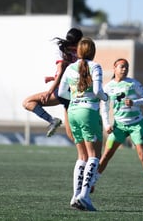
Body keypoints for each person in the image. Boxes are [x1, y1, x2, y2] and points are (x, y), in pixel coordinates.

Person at [94, 58, 143, 197]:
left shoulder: (133, 83)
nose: (124, 69)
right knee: (106, 155)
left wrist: (134, 102)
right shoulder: (108, 87)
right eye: (122, 67)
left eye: (126, 67)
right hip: (118, 126)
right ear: (114, 68)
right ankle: (92, 184)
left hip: (136, 124)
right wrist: (107, 124)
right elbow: (105, 108)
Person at [58, 37, 108, 211]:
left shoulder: (70, 68)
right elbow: (97, 91)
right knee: (94, 155)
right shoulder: (96, 66)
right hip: (88, 112)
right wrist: (106, 98)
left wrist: (76, 96)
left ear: (78, 52)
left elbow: (61, 92)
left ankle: (75, 196)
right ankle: (84, 196)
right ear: (92, 52)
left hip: (72, 111)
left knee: (81, 157)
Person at [22, 28, 83, 139]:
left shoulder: (62, 50)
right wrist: (53, 78)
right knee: (72, 135)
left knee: (27, 102)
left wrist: (49, 92)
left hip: (63, 91)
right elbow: (69, 72)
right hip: (76, 93)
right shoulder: (82, 51)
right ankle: (87, 156)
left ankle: (52, 120)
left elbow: (61, 72)